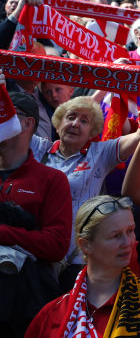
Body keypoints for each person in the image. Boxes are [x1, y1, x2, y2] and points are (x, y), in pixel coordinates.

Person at [28, 95, 140, 284]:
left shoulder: (100, 153)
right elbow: (8, 127)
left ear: (92, 131)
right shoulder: (39, 147)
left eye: (84, 121)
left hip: (77, 260)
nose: (75, 124)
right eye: (70, 117)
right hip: (35, 255)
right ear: (57, 123)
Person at [25, 195, 140, 337]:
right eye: (116, 235)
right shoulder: (52, 315)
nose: (128, 243)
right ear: (86, 245)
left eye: (130, 231)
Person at [0, 91, 72, 335]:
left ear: (26, 123)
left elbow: (56, 245)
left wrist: (4, 233)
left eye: (3, 113)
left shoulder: (52, 179)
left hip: (21, 305)